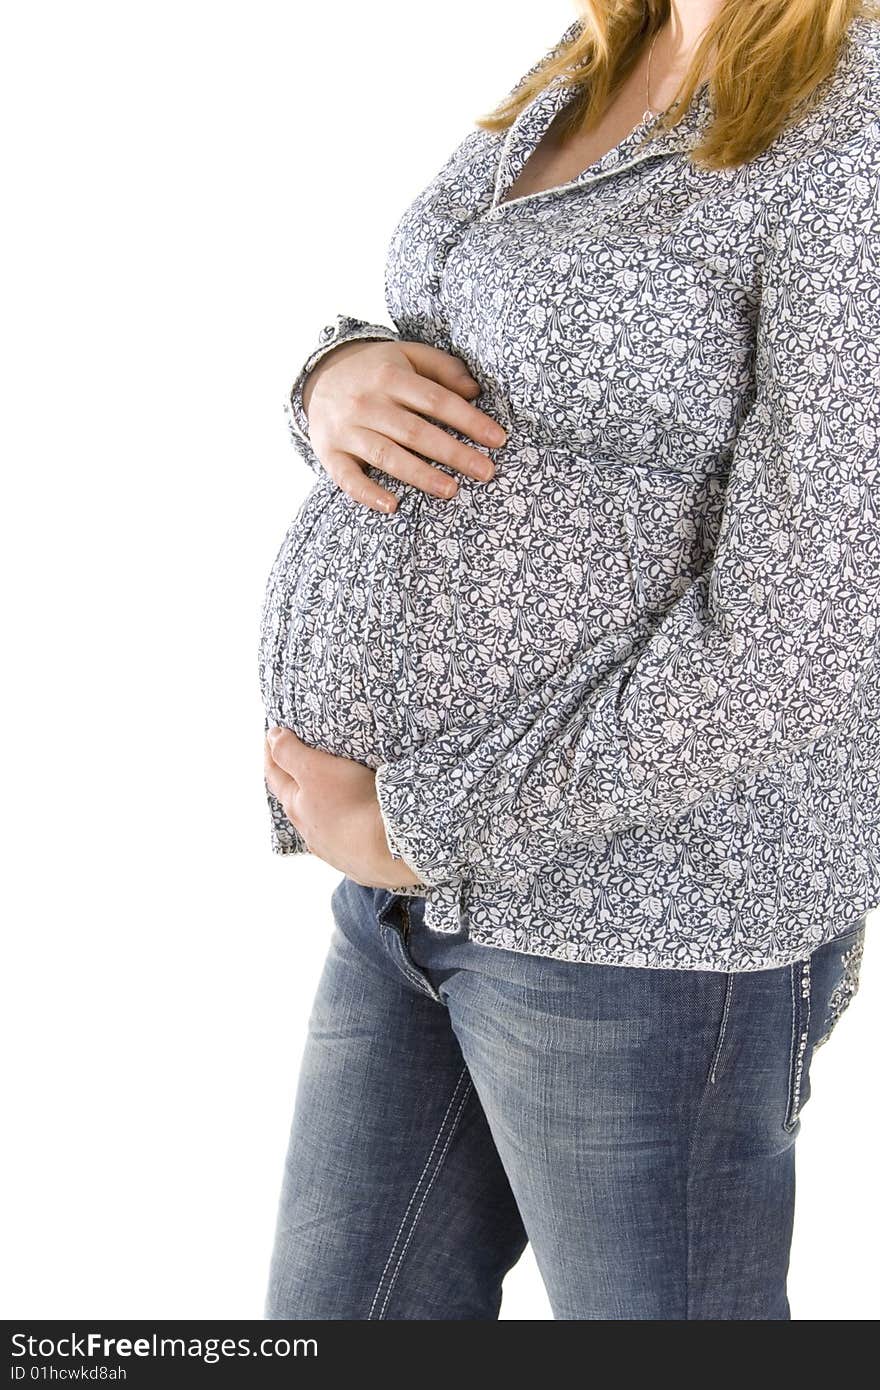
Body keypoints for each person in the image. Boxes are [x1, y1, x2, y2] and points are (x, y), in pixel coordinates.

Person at [260, 0, 879, 1319]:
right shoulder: (603, 52)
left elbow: (804, 633)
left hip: (647, 916)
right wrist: (331, 376)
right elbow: (471, 341)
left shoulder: (854, 123)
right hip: (415, 896)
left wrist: (425, 819)